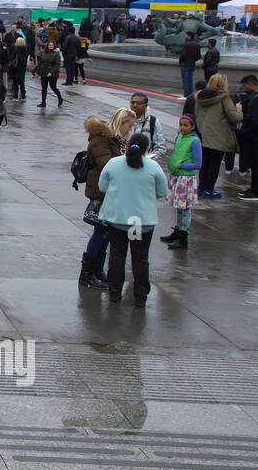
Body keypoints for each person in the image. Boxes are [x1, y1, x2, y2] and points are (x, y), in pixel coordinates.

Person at [97, 133, 167, 307]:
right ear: (146, 149)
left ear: (128, 146)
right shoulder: (153, 166)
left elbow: (102, 186)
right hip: (140, 222)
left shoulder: (114, 163)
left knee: (117, 255)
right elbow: (162, 191)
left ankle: (114, 292)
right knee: (140, 257)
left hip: (118, 220)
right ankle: (141, 295)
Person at [80, 108, 135, 291]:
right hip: (101, 190)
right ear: (121, 123)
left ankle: (96, 269)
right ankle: (87, 273)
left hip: (113, 191)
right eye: (129, 125)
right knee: (101, 231)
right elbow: (107, 165)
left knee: (107, 232)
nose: (130, 130)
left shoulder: (118, 139)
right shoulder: (101, 138)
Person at [193, 73, 241, 199]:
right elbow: (234, 117)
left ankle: (202, 187)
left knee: (205, 162)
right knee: (215, 163)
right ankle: (209, 189)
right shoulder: (224, 98)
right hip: (218, 135)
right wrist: (240, 111)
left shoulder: (199, 97)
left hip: (202, 134)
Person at [161, 115, 201, 250]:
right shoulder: (179, 137)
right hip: (177, 178)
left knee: (185, 209)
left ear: (193, 127)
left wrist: (181, 166)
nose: (183, 128)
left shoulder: (195, 141)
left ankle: (183, 237)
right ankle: (177, 232)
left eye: (186, 125)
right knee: (178, 207)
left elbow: (198, 164)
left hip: (186, 179)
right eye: (181, 125)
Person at [236, 74, 258, 201]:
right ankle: (253, 189)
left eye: (245, 86)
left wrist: (247, 134)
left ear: (251, 84)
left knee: (256, 164)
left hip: (256, 139)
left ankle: (256, 191)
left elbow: (256, 122)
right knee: (255, 164)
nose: (244, 88)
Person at [129, 93, 166, 162]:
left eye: (139, 103)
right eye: (133, 102)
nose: (135, 105)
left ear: (145, 105)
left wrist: (146, 161)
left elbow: (161, 148)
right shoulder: (123, 119)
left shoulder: (153, 122)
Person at [34, 40, 63, 108]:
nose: (50, 46)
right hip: (44, 72)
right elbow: (40, 63)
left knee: (53, 87)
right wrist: (38, 72)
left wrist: (51, 72)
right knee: (44, 88)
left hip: (52, 73)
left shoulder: (56, 54)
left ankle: (60, 98)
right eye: (49, 45)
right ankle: (43, 102)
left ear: (54, 46)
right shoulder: (44, 52)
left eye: (52, 45)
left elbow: (57, 65)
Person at [177, 31, 200, 98]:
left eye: (186, 35)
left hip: (185, 64)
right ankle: (190, 94)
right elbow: (198, 56)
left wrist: (181, 61)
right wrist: (193, 60)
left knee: (185, 80)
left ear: (189, 36)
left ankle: (186, 94)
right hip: (192, 64)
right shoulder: (196, 44)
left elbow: (183, 54)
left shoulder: (186, 44)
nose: (185, 36)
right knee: (190, 80)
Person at [8, 36, 29, 100]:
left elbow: (12, 57)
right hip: (22, 67)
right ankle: (23, 94)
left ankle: (16, 95)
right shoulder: (26, 48)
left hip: (16, 67)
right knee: (21, 82)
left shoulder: (15, 48)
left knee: (16, 82)